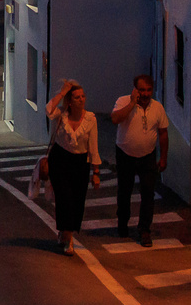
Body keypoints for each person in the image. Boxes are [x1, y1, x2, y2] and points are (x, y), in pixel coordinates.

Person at [42, 79, 101, 255]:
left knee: (76, 201)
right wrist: (62, 92)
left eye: (83, 96)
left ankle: (64, 232)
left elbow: (94, 146)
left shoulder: (90, 119)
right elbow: (48, 110)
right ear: (69, 100)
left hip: (80, 163)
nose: (81, 99)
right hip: (60, 160)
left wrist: (96, 172)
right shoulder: (60, 114)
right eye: (76, 97)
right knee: (65, 199)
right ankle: (68, 239)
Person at [110, 73, 170, 245]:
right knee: (124, 192)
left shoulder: (157, 107)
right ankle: (123, 224)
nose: (145, 93)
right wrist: (132, 103)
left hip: (148, 156)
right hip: (125, 154)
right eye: (142, 90)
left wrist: (163, 157)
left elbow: (163, 133)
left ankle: (144, 230)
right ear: (135, 89)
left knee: (148, 193)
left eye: (148, 90)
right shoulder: (123, 101)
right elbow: (115, 119)